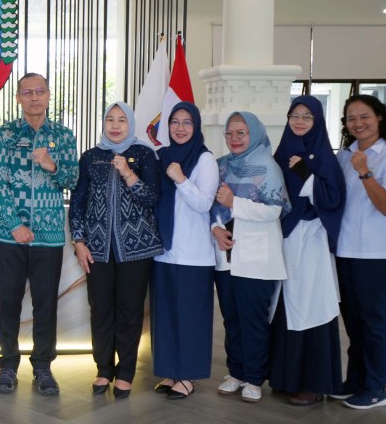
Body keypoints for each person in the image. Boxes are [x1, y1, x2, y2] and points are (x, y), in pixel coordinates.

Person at [0, 73, 78, 396]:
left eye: (40, 91)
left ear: (49, 95)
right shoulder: (5, 134)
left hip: (49, 236)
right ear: (18, 98)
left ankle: (42, 367)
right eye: (27, 92)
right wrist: (14, 224)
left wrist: (52, 165)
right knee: (8, 303)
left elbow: (73, 180)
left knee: (45, 304)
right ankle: (8, 366)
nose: (34, 97)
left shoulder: (63, 136)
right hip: (10, 235)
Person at [69, 101, 161, 400]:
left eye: (122, 120)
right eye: (110, 119)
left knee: (130, 311)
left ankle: (126, 372)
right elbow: (78, 202)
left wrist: (128, 173)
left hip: (136, 249)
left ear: (130, 124)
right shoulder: (91, 157)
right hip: (97, 249)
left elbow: (152, 198)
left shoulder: (144, 154)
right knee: (100, 309)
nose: (116, 125)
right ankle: (103, 369)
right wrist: (79, 241)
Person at [333, 95, 386, 410]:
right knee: (354, 322)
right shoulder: (345, 155)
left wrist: (366, 173)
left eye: (364, 116)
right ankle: (356, 381)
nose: (358, 123)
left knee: (373, 321)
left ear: (380, 117)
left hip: (377, 254)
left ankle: (377, 387)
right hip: (345, 250)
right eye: (351, 118)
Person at [267, 95, 347, 406]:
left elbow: (333, 198)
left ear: (317, 121)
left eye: (307, 116)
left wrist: (305, 173)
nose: (299, 121)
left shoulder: (325, 156)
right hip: (284, 238)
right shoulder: (281, 153)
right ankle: (285, 377)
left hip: (311, 239)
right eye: (294, 115)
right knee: (283, 305)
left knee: (310, 305)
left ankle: (314, 383)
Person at [210, 111, 289, 404]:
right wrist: (215, 228)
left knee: (253, 320)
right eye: (229, 133)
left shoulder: (267, 167)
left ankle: (255, 378)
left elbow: (274, 210)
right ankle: (237, 372)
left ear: (254, 133)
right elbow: (210, 205)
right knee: (231, 319)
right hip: (226, 257)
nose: (234, 139)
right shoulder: (221, 165)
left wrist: (235, 202)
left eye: (241, 133)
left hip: (256, 258)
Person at [149, 102, 219, 401]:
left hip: (193, 253)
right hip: (163, 251)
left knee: (190, 317)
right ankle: (171, 371)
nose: (180, 128)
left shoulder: (205, 159)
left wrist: (181, 179)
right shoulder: (162, 156)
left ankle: (188, 375)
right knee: (166, 316)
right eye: (175, 122)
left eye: (187, 122)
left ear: (196, 126)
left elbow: (204, 203)